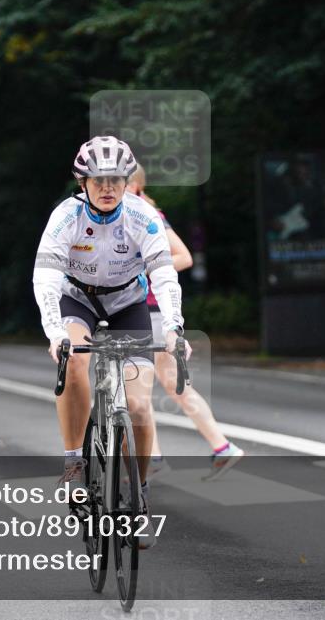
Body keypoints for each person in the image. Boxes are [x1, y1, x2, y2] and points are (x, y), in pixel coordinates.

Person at [33, 136, 190, 549]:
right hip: (77, 299)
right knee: (76, 362)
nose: (108, 188)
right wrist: (55, 332)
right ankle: (73, 465)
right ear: (82, 182)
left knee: (138, 404)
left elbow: (164, 275)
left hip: (127, 304)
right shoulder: (65, 217)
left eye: (117, 180)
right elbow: (46, 277)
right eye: (98, 180)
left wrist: (173, 329)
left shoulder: (143, 215)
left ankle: (138, 500)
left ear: (127, 182)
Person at [126, 167, 245, 480]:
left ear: (136, 185)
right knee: (169, 388)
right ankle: (219, 449)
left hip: (151, 312)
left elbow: (184, 256)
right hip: (148, 313)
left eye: (120, 181)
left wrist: (144, 266)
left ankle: (156, 458)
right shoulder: (131, 214)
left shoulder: (148, 214)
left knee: (140, 391)